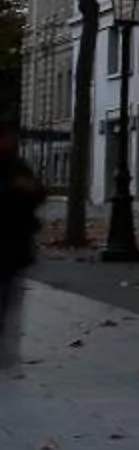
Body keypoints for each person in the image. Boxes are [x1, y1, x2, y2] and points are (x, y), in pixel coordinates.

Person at [0, 124, 44, 369]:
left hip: (15, 242)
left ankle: (5, 346)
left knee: (9, 296)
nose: (13, 140)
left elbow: (39, 193)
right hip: (9, 240)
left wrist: (32, 190)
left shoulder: (18, 165)